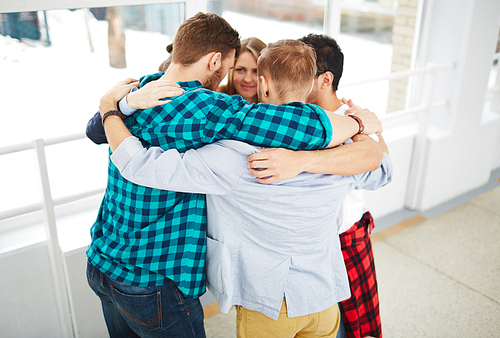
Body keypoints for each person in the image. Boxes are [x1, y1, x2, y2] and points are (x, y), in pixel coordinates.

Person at [85, 13, 383, 338]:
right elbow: (335, 141)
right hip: (156, 277)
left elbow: (98, 133)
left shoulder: (139, 89)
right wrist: (358, 124)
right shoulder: (215, 114)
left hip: (103, 260)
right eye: (231, 68)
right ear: (215, 61)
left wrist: (113, 105)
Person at [247, 33, 385, 338]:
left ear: (322, 79)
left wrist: (301, 161)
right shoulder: (297, 119)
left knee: (355, 329)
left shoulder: (349, 122)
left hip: (344, 240)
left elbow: (382, 171)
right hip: (307, 249)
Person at [218, 37, 266, 103]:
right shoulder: (215, 98)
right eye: (240, 70)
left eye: (256, 71)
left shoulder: (278, 106)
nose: (247, 80)